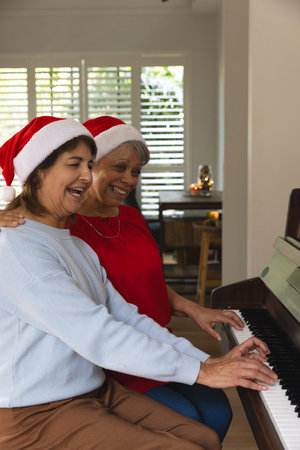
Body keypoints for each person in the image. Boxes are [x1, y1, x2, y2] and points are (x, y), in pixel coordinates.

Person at [0, 116, 244, 441]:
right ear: (37, 172)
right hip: (36, 409)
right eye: (75, 165)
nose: (86, 176)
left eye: (89, 164)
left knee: (206, 437)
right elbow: (97, 333)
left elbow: (128, 315)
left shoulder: (75, 246)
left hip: (91, 388)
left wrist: (209, 361)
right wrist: (202, 371)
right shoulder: (17, 246)